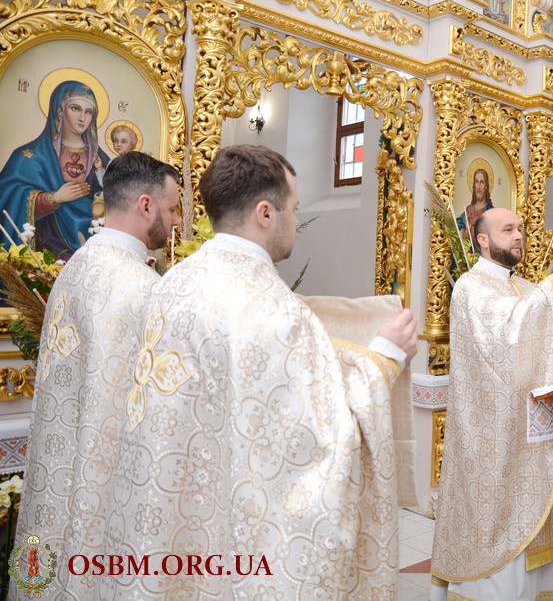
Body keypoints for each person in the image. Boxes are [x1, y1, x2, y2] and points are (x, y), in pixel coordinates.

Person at [99, 144, 418, 599]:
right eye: (294, 208)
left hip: (170, 519)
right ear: (265, 213)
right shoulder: (271, 309)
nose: (297, 221)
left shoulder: (173, 283)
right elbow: (315, 443)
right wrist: (384, 357)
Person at [12, 151, 180, 599]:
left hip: (60, 471)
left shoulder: (78, 266)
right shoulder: (139, 288)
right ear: (145, 205)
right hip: (101, 490)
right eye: (171, 209)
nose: (176, 221)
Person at [431, 207, 553, 601]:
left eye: (520, 228)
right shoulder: (470, 287)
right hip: (493, 439)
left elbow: (546, 344)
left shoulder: (523, 287)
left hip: (531, 432)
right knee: (497, 521)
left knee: (533, 517)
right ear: (483, 240)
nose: (519, 235)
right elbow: (508, 334)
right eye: (508, 229)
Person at [0, 80, 112, 259]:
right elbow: (8, 199)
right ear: (59, 109)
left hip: (91, 251)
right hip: (44, 250)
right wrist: (55, 198)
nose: (82, 118)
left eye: (88, 112)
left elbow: (116, 203)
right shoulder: (29, 156)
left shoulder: (102, 161)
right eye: (75, 108)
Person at [455, 167, 494, 251]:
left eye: (482, 182)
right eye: (476, 182)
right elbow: (457, 228)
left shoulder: (490, 211)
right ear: (474, 185)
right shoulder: (468, 211)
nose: (479, 186)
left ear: (486, 186)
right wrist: (465, 231)